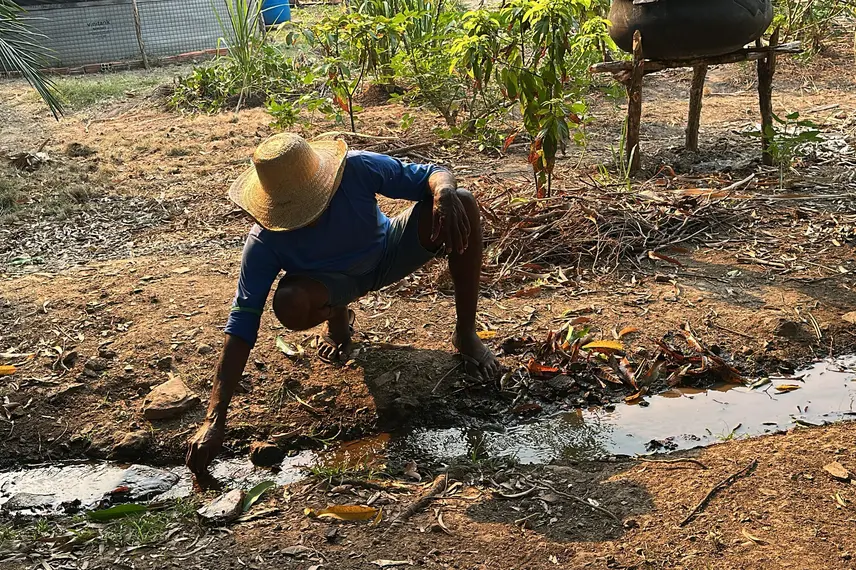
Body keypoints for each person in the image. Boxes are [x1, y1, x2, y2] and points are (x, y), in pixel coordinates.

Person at [185, 133, 500, 474]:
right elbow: (242, 324)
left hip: (388, 251)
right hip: (332, 284)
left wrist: (444, 192)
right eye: (296, 213)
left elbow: (433, 172)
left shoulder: (356, 168)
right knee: (290, 302)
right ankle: (338, 314)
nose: (309, 218)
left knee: (463, 202)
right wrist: (214, 419)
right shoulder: (263, 243)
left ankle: (465, 332)